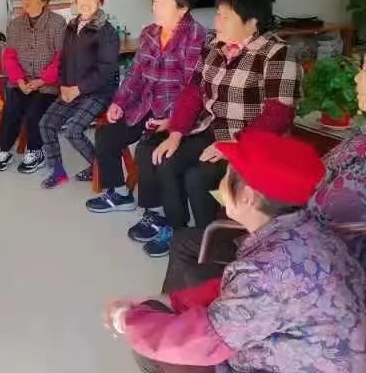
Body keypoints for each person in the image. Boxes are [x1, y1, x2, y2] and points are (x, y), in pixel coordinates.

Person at [104, 131, 366, 373]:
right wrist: (169, 301)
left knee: (156, 352)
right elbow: (236, 290)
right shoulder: (307, 232)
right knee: (158, 315)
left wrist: (127, 320)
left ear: (248, 196)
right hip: (311, 354)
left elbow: (205, 342)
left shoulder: (268, 270)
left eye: (226, 176)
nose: (220, 184)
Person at [162, 52, 366, 293]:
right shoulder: (359, 138)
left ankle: (177, 310)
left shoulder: (358, 167)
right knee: (185, 237)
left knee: (193, 257)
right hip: (289, 233)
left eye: (364, 69)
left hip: (303, 260)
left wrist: (258, 214)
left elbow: (329, 220)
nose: (357, 78)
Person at [128, 0, 301, 257]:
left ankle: (214, 244)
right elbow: (193, 92)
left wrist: (233, 143)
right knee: (165, 158)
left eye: (225, 16)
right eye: (218, 14)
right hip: (211, 128)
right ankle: (177, 230)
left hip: (252, 140)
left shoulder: (276, 53)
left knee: (198, 177)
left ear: (251, 22)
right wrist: (176, 132)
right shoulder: (213, 46)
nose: (217, 22)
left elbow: (278, 114)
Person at [86, 0, 206, 213]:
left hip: (174, 114)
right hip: (144, 106)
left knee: (148, 151)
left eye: (163, 4)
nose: (155, 8)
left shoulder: (197, 37)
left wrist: (174, 120)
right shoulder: (150, 33)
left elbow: (192, 88)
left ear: (182, 8)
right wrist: (119, 103)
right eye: (154, 2)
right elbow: (136, 74)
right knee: (106, 134)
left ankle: (156, 213)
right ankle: (119, 193)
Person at [39, 0, 120, 189]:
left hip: (98, 94)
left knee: (73, 130)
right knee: (46, 124)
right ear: (76, 0)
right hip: (70, 90)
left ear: (100, 3)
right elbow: (63, 60)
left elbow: (106, 69)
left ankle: (99, 168)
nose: (86, 1)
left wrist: (78, 89)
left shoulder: (107, 31)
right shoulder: (71, 26)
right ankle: (57, 171)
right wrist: (63, 87)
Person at [0, 0, 66, 174]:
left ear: (44, 1)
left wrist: (42, 80)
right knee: (11, 108)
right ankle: (4, 149)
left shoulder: (57, 23)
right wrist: (19, 80)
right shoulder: (15, 25)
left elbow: (61, 58)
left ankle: (36, 151)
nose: (25, 1)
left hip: (47, 84)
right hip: (21, 82)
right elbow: (9, 57)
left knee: (35, 111)